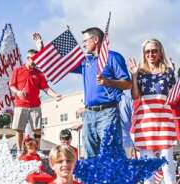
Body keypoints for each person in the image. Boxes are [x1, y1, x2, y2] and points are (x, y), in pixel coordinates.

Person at [34, 29, 131, 158]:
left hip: (108, 113)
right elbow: (62, 62)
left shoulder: (113, 57)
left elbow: (127, 83)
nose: (83, 44)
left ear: (95, 40)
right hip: (89, 114)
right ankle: (94, 179)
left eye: (85, 41)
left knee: (111, 153)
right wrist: (42, 49)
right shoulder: (86, 61)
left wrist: (108, 82)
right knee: (91, 154)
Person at [128, 39, 178, 184]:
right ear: (144, 53)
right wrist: (134, 76)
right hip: (145, 123)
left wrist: (174, 71)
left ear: (160, 52)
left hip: (164, 122)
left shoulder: (168, 72)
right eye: (148, 51)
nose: (151, 54)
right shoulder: (140, 73)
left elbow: (175, 95)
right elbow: (135, 96)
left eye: (154, 51)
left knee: (167, 165)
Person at [9, 48, 62, 154]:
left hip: (35, 106)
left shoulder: (39, 73)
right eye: (34, 59)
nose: (36, 62)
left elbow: (46, 88)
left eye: (37, 60)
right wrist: (18, 92)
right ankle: (19, 151)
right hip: (21, 105)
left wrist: (55, 95)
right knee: (19, 129)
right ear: (28, 58)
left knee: (37, 129)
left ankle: (37, 150)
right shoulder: (17, 70)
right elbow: (11, 85)